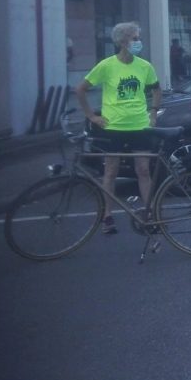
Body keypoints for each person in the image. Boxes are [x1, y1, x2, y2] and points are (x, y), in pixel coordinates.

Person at [75, 22, 161, 234]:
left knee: (143, 170)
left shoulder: (144, 66)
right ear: (122, 42)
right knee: (111, 171)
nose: (138, 42)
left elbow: (156, 90)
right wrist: (91, 116)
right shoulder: (106, 65)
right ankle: (108, 216)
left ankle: (149, 213)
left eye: (138, 38)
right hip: (113, 127)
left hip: (139, 126)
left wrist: (153, 114)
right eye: (135, 38)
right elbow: (81, 89)